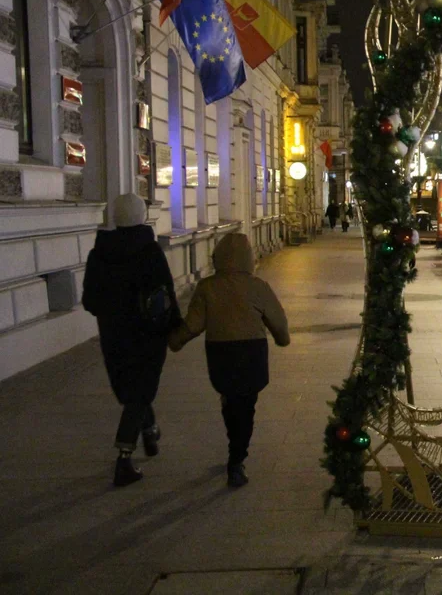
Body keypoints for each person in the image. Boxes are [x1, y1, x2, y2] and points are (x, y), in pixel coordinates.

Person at [169, 233, 290, 487]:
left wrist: (176, 340)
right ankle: (237, 457)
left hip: (221, 354)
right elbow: (277, 320)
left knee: (231, 401)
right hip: (252, 353)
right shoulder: (258, 286)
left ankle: (235, 449)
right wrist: (282, 338)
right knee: (247, 406)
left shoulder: (208, 287)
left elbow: (193, 324)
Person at [82, 194, 179, 487]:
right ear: (141, 216)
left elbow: (90, 300)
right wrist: (176, 327)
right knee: (141, 389)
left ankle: (149, 432)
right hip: (147, 335)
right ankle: (124, 457)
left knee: (131, 389)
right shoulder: (149, 252)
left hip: (113, 335)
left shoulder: (99, 254)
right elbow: (165, 294)